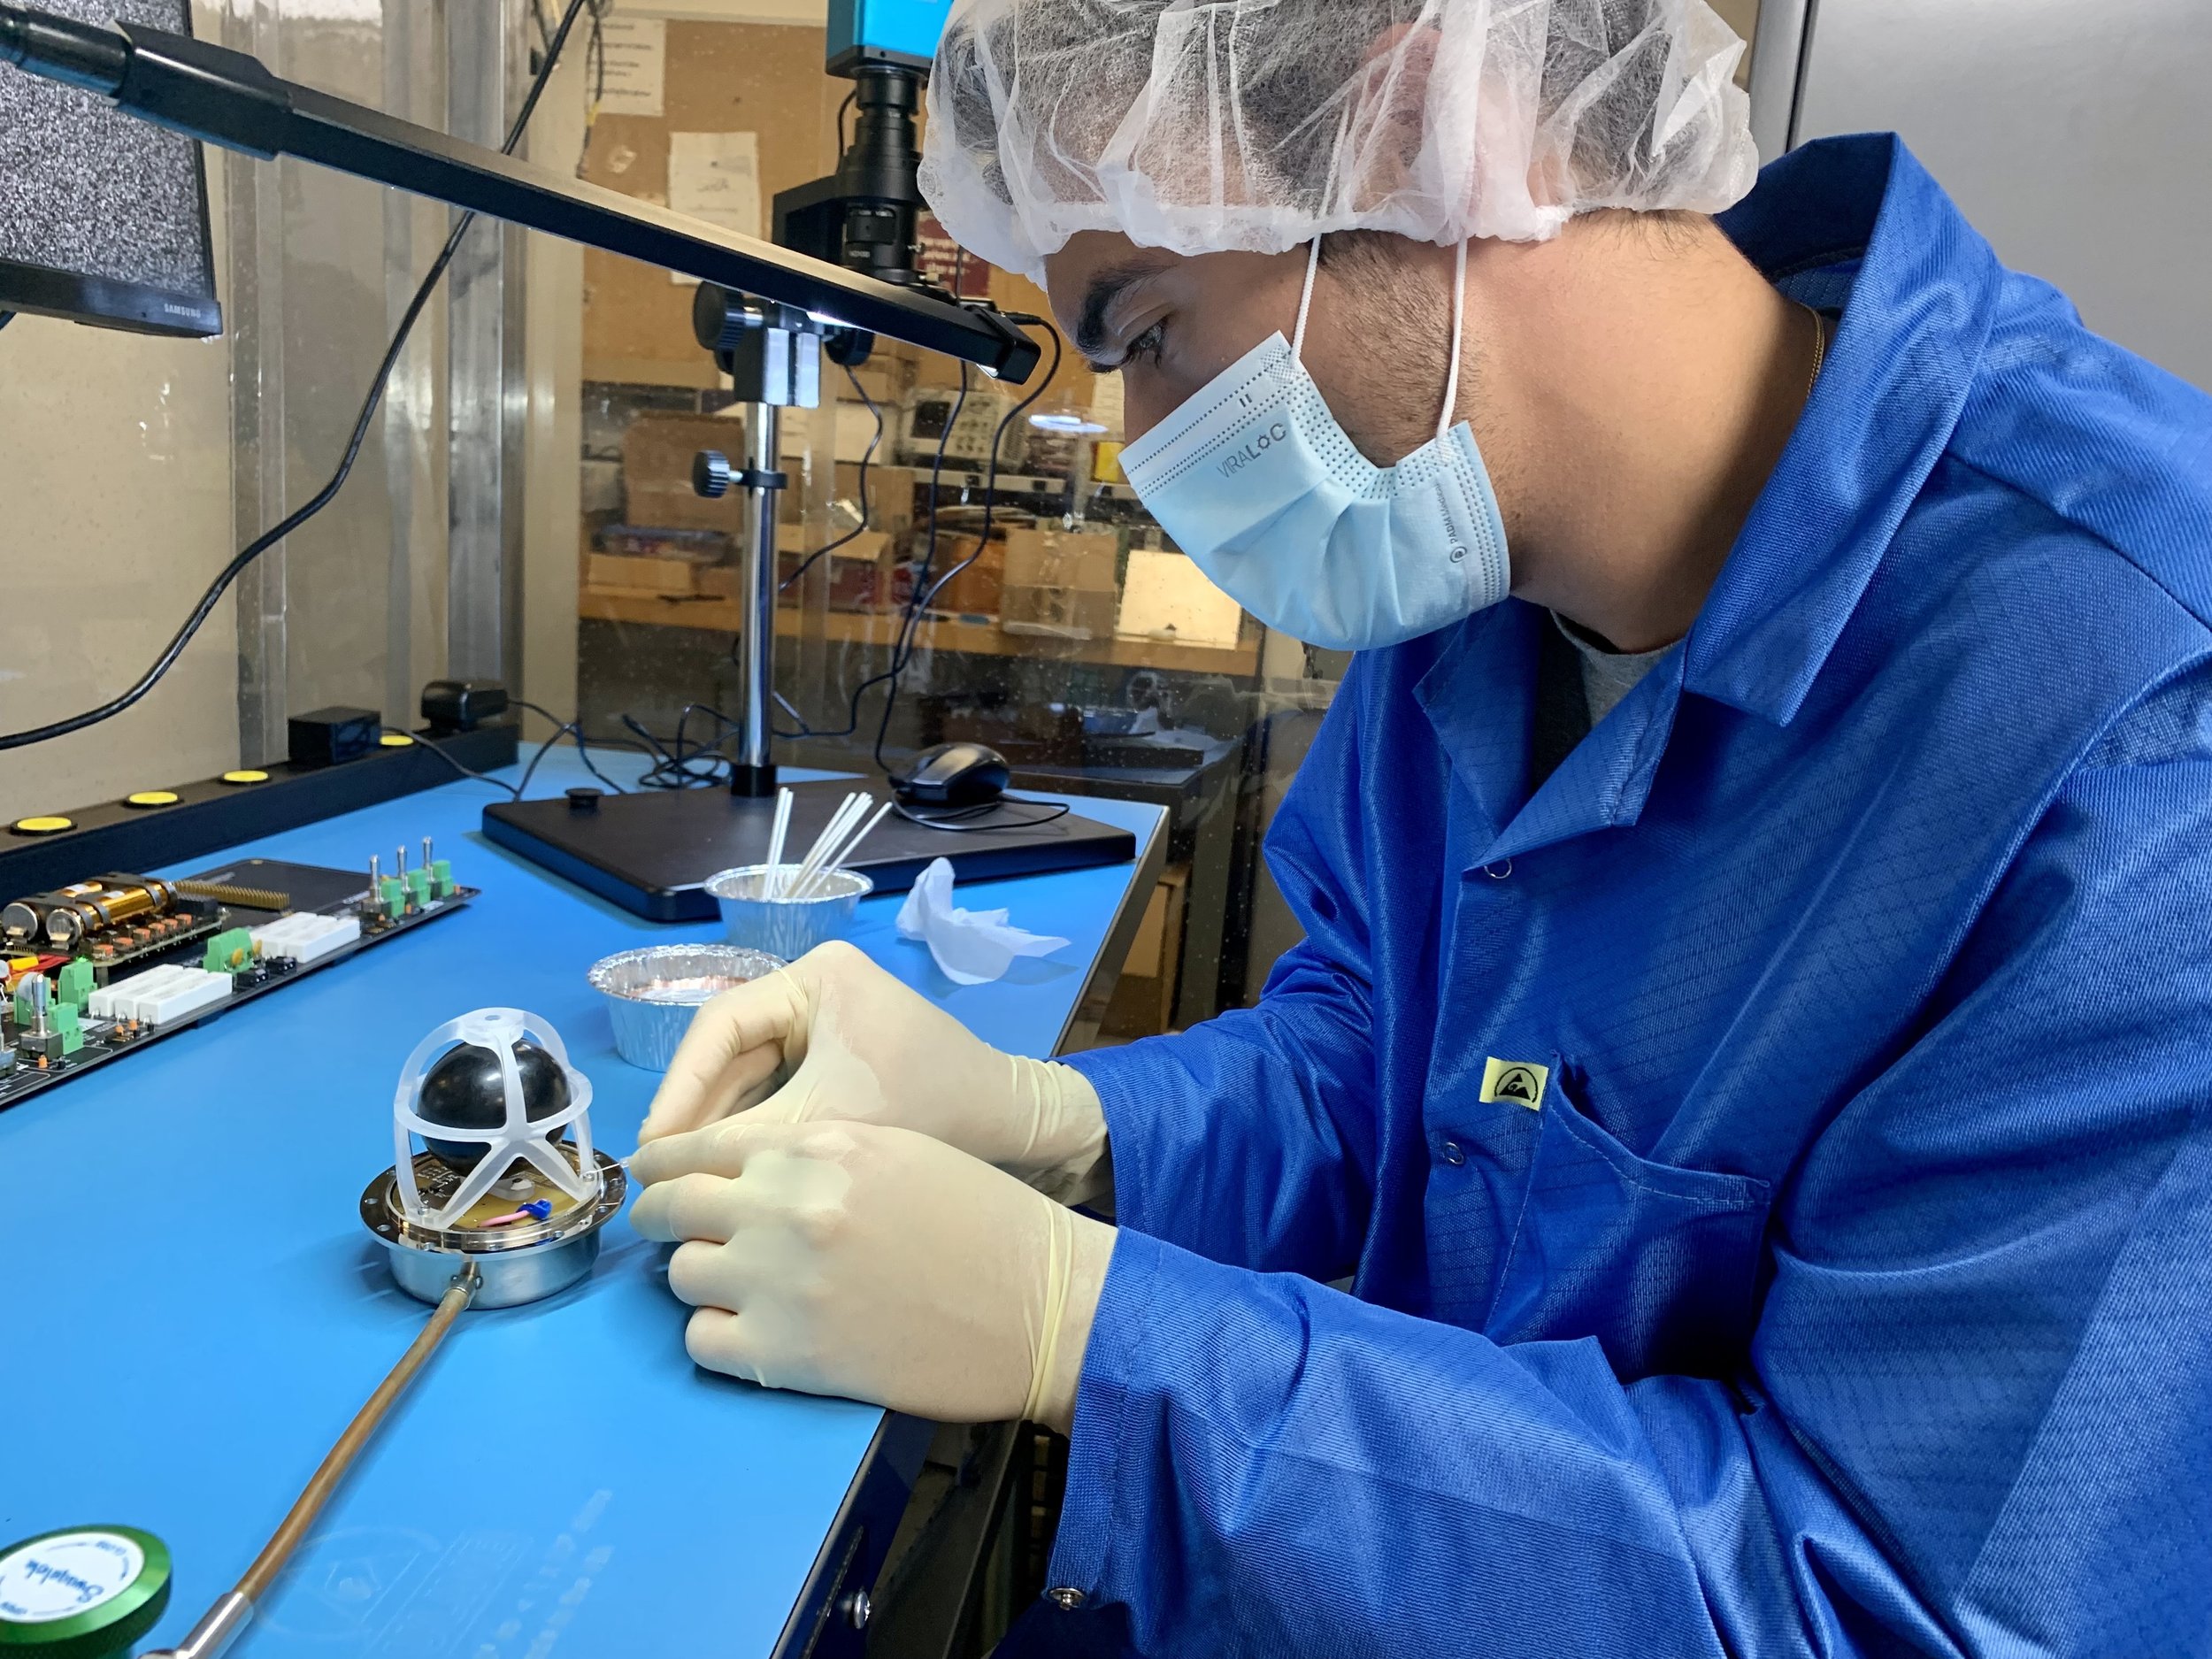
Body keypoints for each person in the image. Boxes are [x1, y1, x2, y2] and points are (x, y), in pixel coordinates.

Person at [627, 0, 2212, 1651]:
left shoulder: (2137, 743)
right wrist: (1069, 1127)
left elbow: (1880, 1610)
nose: (1148, 449)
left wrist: (1090, 1332)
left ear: (1425, 118)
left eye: (1148, 329)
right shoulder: (1469, 561)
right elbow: (1386, 1060)